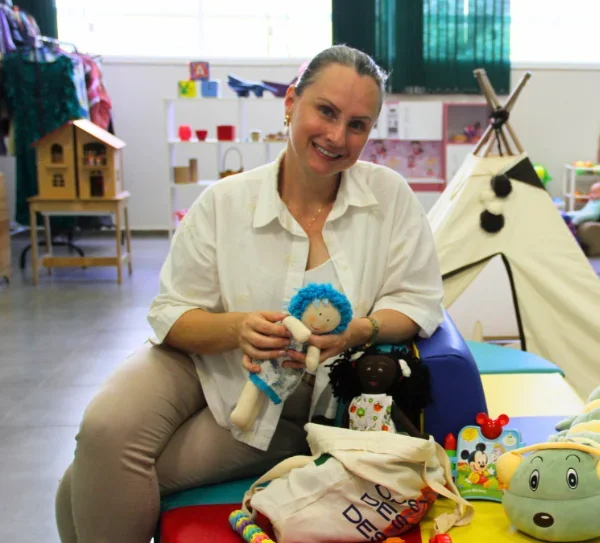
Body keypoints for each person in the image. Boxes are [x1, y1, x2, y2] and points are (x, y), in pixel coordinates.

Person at [55, 45, 444, 543]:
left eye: (357, 124)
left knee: (82, 483)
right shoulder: (223, 201)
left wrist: (356, 331)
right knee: (103, 430)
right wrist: (237, 329)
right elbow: (172, 312)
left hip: (281, 396)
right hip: (192, 359)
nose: (336, 136)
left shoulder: (389, 198)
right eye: (325, 111)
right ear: (290, 103)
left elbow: (417, 300)